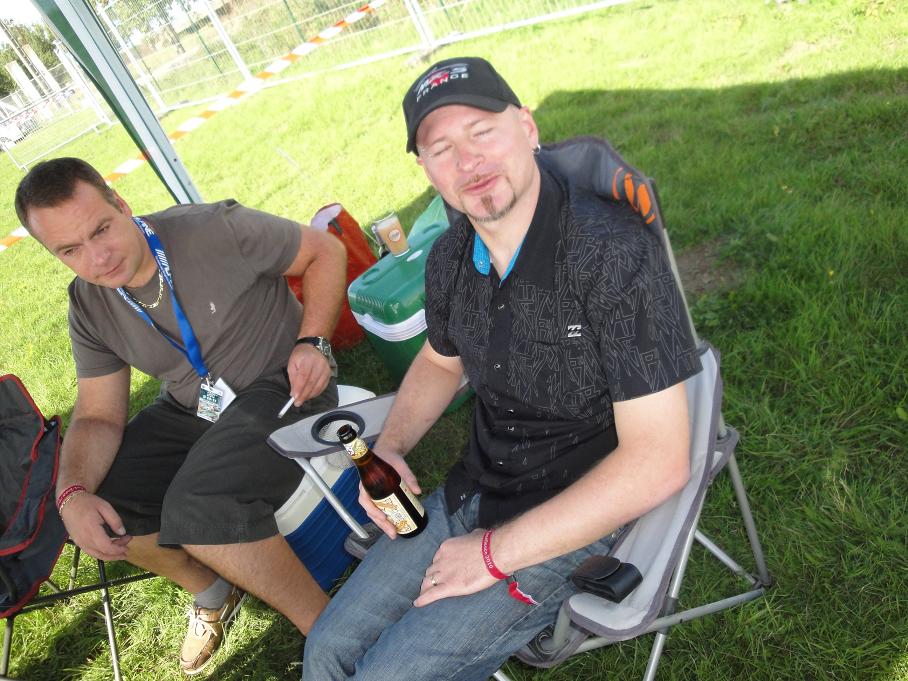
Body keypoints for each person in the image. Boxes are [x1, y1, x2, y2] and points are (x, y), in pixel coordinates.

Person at [302, 57, 702, 680]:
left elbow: (658, 461)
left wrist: (491, 556)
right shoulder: (450, 258)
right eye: (442, 149)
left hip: (578, 512)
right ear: (426, 170)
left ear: (527, 128)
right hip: (474, 490)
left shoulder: (611, 251)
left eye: (482, 131)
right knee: (325, 651)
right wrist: (394, 447)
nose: (468, 161)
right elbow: (439, 361)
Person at [13, 158, 347, 675]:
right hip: (196, 408)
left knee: (198, 506)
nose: (98, 258)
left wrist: (314, 342)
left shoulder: (211, 229)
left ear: (122, 205)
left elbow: (325, 250)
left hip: (284, 385)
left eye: (101, 229)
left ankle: (334, 634)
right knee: (104, 501)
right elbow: (98, 415)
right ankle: (212, 589)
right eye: (70, 250)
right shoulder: (89, 304)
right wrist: (72, 493)